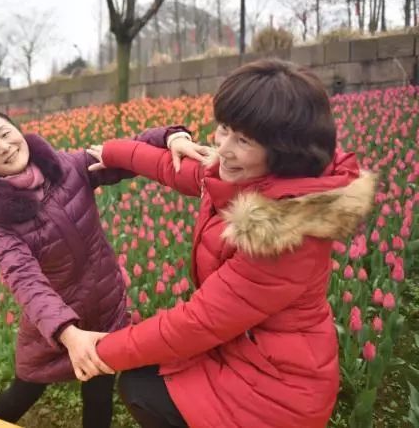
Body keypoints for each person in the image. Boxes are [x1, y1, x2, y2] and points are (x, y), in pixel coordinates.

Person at [86, 59, 376, 428]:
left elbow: (197, 322)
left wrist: (98, 351)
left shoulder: (284, 232)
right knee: (145, 375)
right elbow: (182, 171)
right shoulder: (257, 175)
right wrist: (114, 152)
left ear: (283, 151)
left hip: (279, 393)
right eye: (224, 129)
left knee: (142, 385)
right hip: (248, 351)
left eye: (243, 140)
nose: (222, 148)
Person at [0, 111, 194, 427]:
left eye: (5, 133)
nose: (3, 147)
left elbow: (122, 154)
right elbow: (25, 279)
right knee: (25, 389)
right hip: (55, 326)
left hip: (104, 308)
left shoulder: (65, 167)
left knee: (99, 395)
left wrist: (170, 137)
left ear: (19, 130)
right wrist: (68, 334)